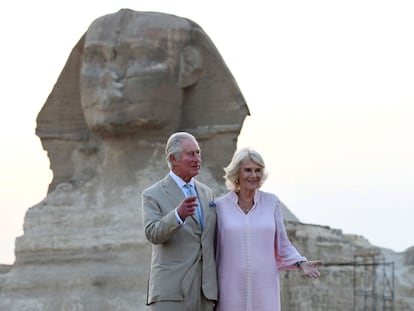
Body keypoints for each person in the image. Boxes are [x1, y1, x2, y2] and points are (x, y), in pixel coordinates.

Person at [215, 147, 321, 311]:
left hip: (265, 289)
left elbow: (283, 244)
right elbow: (213, 249)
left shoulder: (271, 203)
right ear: (237, 173)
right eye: (248, 170)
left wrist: (301, 263)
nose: (254, 175)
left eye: (258, 170)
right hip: (230, 288)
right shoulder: (219, 206)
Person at [141, 132, 218, 311]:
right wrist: (178, 215)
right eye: (191, 154)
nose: (197, 159)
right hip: (171, 292)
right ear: (172, 158)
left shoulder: (208, 193)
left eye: (198, 153)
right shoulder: (152, 194)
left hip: (206, 293)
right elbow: (152, 233)